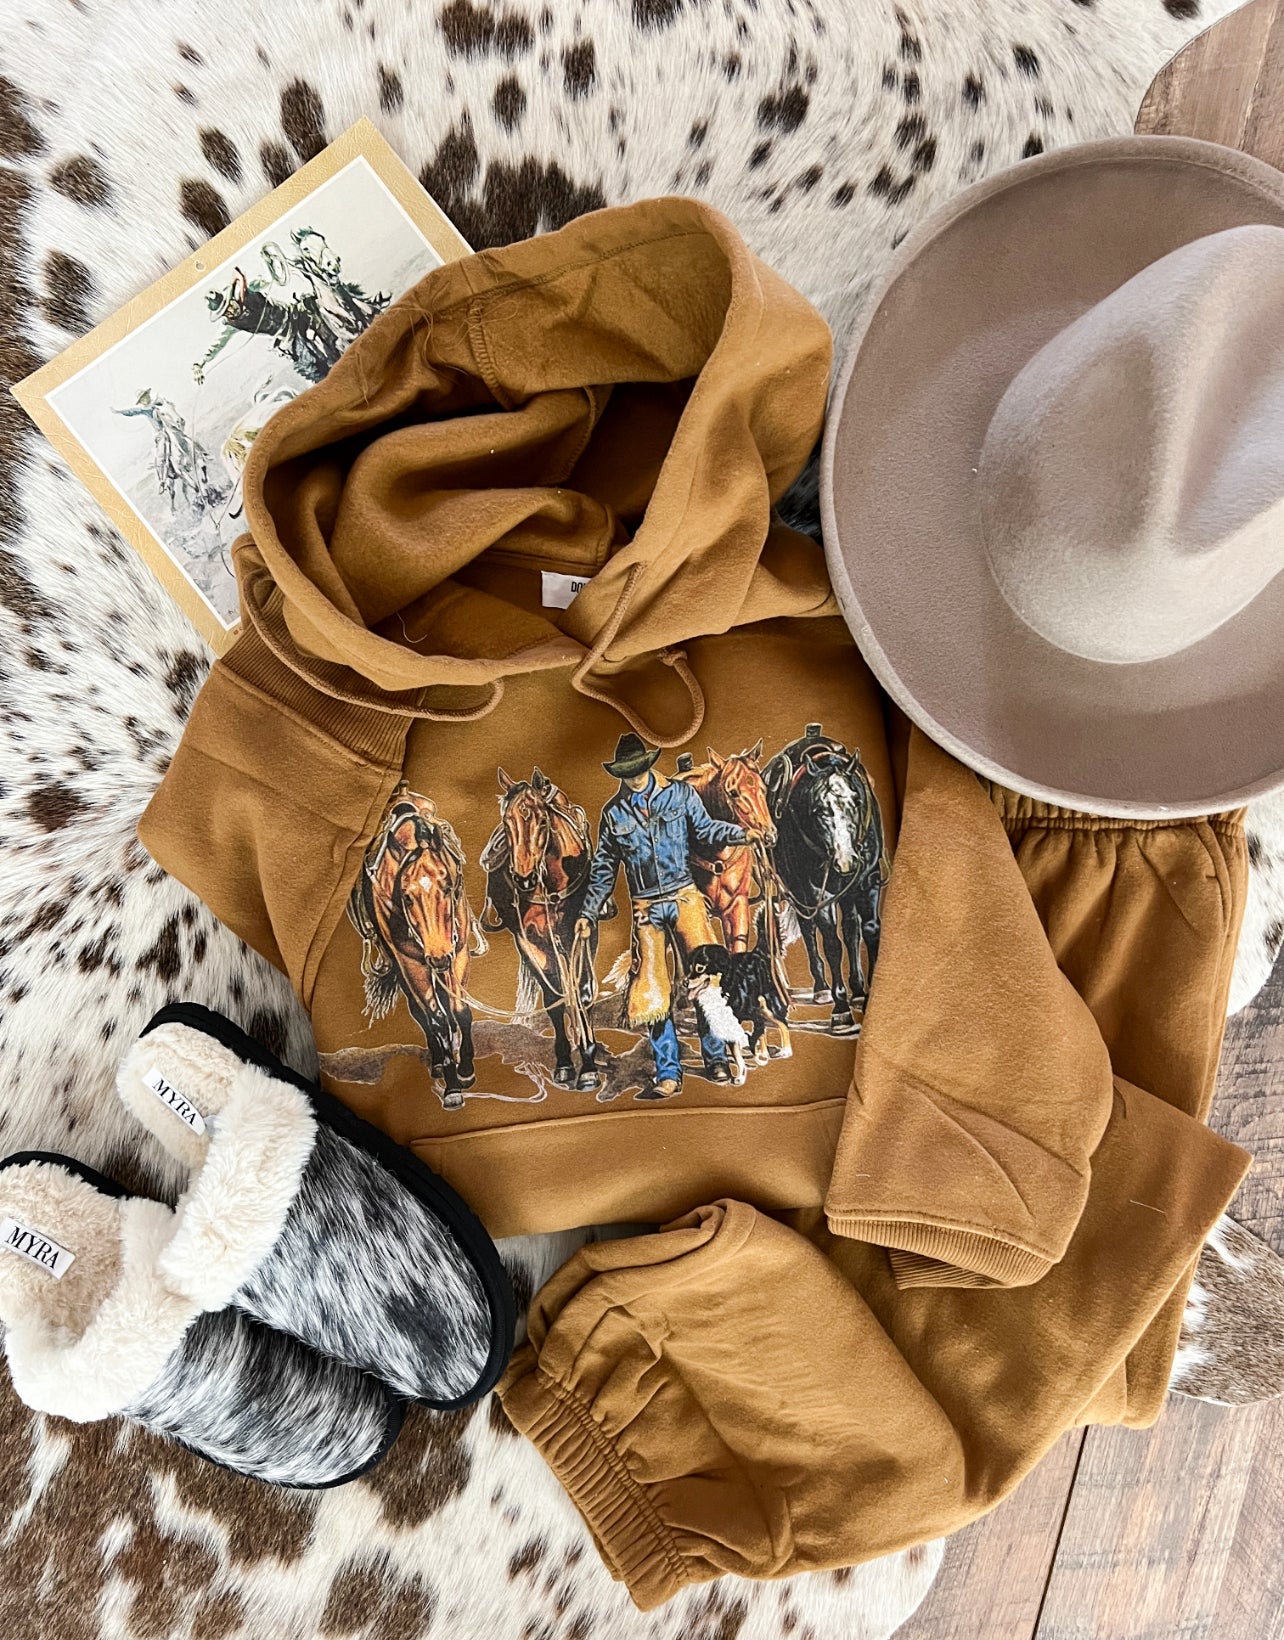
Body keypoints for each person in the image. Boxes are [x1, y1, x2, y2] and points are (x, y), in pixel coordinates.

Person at [576, 733, 764, 1097]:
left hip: (685, 898)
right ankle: (668, 1072)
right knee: (652, 993)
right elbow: (604, 867)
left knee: (708, 977)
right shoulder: (614, 813)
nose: (634, 778)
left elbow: (706, 829)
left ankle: (716, 1058)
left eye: (638, 770)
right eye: (627, 773)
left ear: (648, 766)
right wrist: (588, 912)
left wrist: (742, 834)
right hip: (646, 908)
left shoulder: (680, 795)